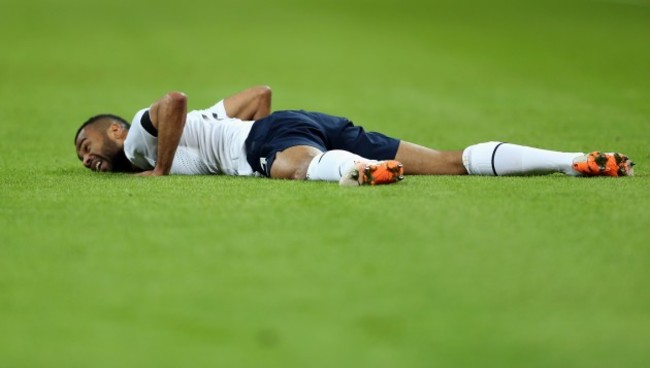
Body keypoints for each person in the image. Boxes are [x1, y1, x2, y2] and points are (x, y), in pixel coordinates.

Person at [73, 86, 635, 185]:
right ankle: (572, 160)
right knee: (450, 161)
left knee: (293, 167)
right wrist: (250, 121)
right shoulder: (204, 128)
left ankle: (347, 170)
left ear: (116, 132)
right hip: (299, 120)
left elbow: (170, 102)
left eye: (86, 146)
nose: (87, 157)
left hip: (268, 140)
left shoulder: (140, 143)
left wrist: (161, 167)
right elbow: (257, 93)